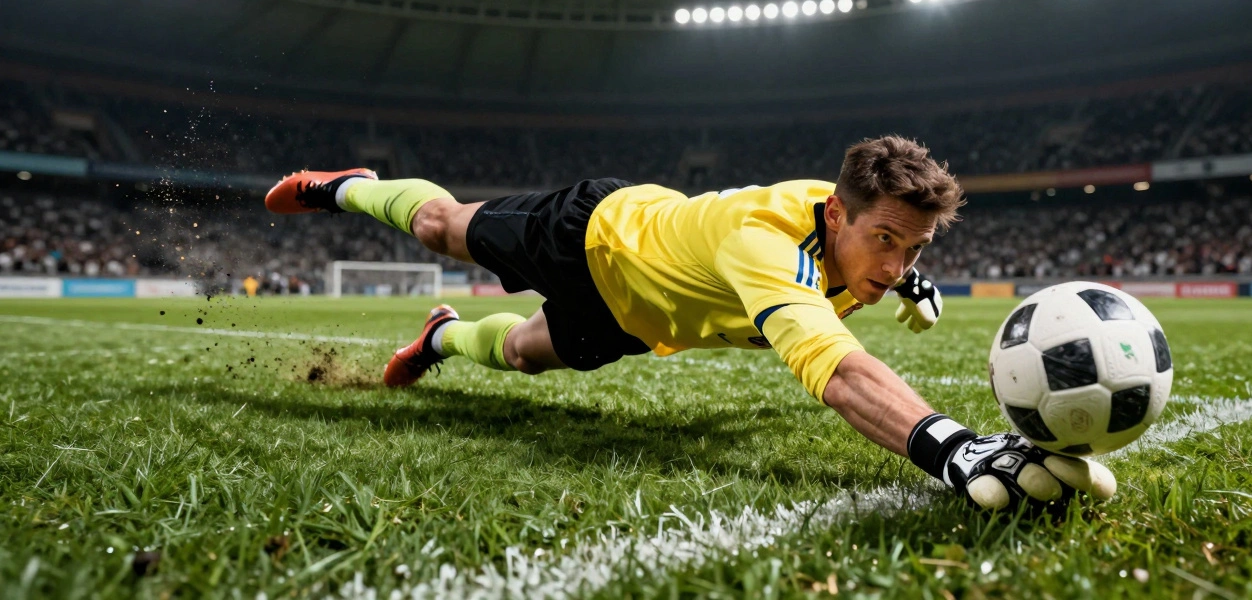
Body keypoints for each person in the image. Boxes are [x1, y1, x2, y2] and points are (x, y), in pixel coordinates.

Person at [265, 135, 1114, 512]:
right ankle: (346, 183)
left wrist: (901, 276)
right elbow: (839, 373)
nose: (893, 264)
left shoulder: (866, 249)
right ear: (834, 215)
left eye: (914, 248)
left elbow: (876, 273)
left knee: (523, 354)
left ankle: (442, 334)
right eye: (885, 242)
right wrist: (953, 449)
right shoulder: (764, 245)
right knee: (440, 227)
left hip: (642, 317)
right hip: (597, 235)